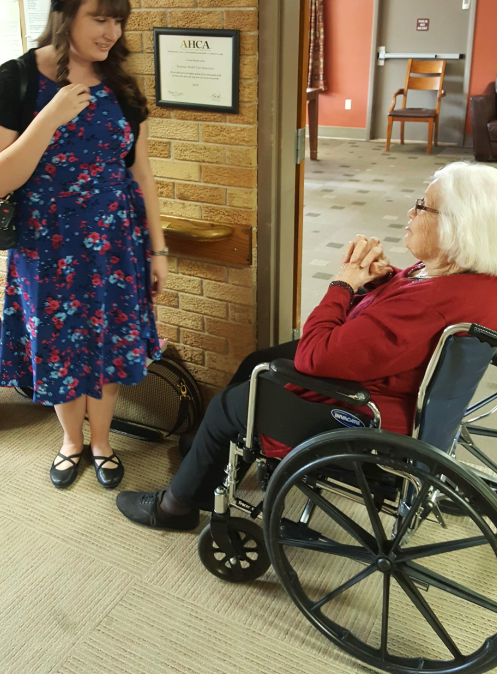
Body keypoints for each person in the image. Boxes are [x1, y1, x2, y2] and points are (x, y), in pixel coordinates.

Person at [116, 161, 497, 530]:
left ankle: (175, 508)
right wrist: (381, 279)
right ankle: (210, 451)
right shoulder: (467, 277)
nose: (410, 212)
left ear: (456, 228)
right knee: (258, 360)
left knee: (230, 404)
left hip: (366, 410)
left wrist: (343, 283)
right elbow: (407, 304)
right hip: (386, 384)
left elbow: (315, 356)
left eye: (422, 206)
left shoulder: (428, 306)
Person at [0, 0, 168, 490]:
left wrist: (158, 250)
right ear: (65, 12)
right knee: (60, 348)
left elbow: (141, 173)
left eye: (118, 21)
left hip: (117, 246)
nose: (111, 32)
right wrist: (49, 117)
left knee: (110, 348)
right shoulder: (16, 78)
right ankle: (71, 442)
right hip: (46, 248)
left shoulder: (121, 85)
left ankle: (101, 442)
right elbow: (3, 177)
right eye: (100, 18)